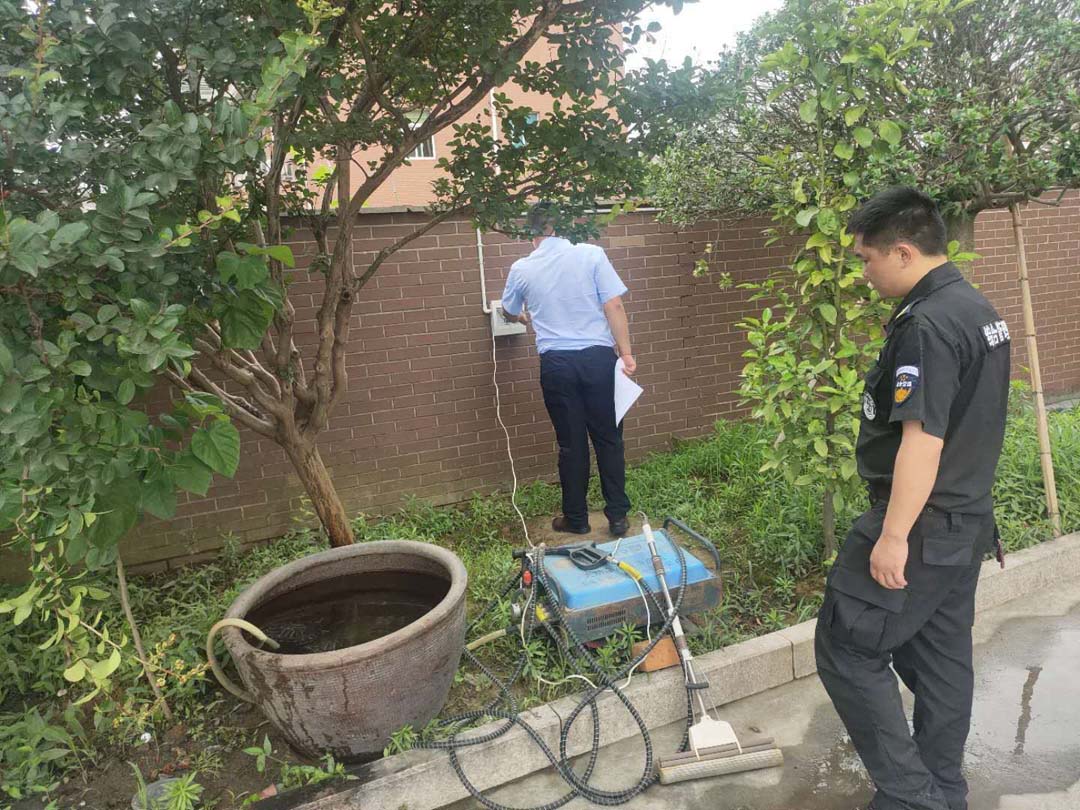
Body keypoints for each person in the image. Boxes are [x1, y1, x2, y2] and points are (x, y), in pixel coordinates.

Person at [814, 187, 1011, 810]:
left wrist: (893, 535)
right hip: (965, 519)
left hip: (923, 521)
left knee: (846, 646)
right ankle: (944, 789)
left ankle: (910, 796)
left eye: (867, 259)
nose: (864, 272)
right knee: (940, 657)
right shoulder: (974, 307)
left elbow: (923, 441)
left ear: (903, 252)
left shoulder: (927, 324)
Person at [500, 202, 636, 537]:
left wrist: (521, 317)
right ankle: (618, 518)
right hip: (598, 360)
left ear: (531, 232)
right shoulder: (592, 254)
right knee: (609, 438)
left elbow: (508, 310)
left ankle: (576, 519)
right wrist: (626, 353)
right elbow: (614, 304)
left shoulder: (522, 268)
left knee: (571, 444)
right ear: (563, 226)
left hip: (557, 364)